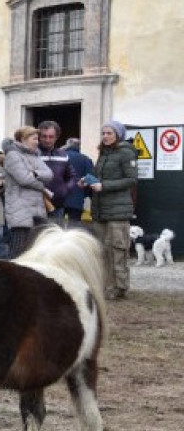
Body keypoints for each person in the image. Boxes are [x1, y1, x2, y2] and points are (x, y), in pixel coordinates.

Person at [80, 121, 138, 300]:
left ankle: (120, 288)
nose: (105, 136)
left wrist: (103, 186)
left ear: (118, 135)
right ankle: (106, 286)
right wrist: (88, 181)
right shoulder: (104, 153)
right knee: (102, 250)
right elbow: (99, 178)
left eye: (109, 133)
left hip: (118, 211)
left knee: (117, 249)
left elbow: (131, 179)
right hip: (101, 209)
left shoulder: (126, 152)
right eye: (103, 133)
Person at [2, 126, 53, 257]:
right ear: (23, 139)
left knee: (33, 251)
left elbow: (50, 174)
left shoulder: (35, 156)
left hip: (36, 211)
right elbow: (24, 179)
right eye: (34, 139)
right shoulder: (13, 156)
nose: (37, 142)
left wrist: (35, 173)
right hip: (20, 211)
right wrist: (42, 187)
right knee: (18, 251)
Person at [37, 121, 76, 222]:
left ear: (56, 137)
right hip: (36, 205)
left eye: (51, 136)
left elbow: (72, 176)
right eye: (44, 136)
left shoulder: (63, 155)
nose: (47, 140)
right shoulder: (32, 154)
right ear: (39, 137)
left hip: (58, 206)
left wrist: (65, 190)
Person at [63, 137, 93, 224]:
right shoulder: (86, 159)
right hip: (77, 199)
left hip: (59, 199)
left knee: (57, 226)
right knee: (74, 227)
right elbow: (89, 179)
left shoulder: (59, 157)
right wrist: (85, 194)